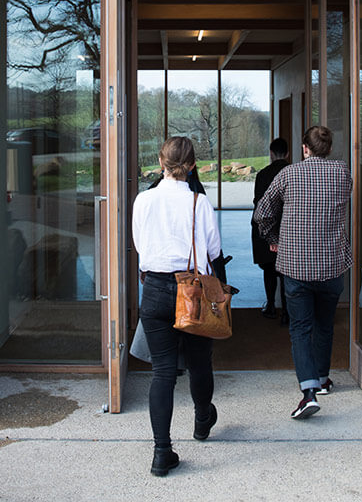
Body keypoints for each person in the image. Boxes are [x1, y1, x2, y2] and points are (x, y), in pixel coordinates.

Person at [132, 136, 223, 476]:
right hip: (193, 290)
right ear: (193, 165)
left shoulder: (144, 199)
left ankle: (161, 452)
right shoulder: (200, 202)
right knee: (200, 362)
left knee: (163, 372)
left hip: (154, 288)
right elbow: (213, 251)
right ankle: (202, 421)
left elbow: (140, 244)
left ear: (160, 164)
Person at [252, 125, 352, 419]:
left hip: (295, 264)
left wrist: (273, 240)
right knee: (325, 324)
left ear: (305, 149)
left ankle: (308, 391)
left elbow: (263, 213)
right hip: (332, 264)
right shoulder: (342, 173)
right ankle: (322, 379)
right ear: (329, 149)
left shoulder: (288, 174)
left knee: (300, 328)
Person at [251, 138, 290, 321]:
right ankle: (287, 312)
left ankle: (271, 306)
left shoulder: (263, 174)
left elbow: (257, 203)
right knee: (286, 272)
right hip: (287, 227)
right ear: (288, 153)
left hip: (267, 227)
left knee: (269, 268)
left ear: (271, 153)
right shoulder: (293, 173)